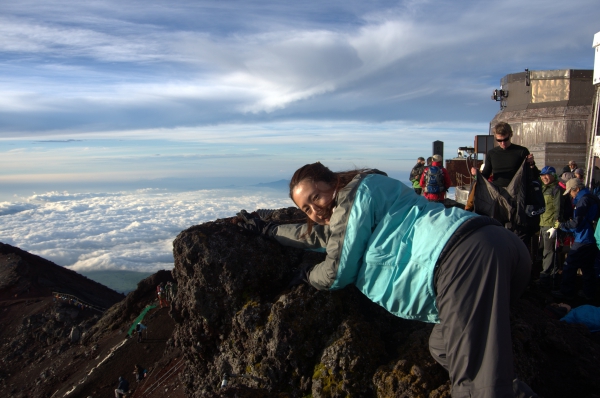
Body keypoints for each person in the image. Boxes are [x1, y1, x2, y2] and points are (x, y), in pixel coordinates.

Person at [237, 162, 536, 397]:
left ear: (334, 182)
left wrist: (306, 275)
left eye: (316, 196)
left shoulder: (355, 196)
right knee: (443, 347)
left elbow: (336, 272)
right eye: (306, 208)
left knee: (475, 387)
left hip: (461, 257)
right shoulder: (371, 194)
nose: (315, 210)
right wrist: (269, 230)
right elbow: (318, 235)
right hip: (499, 247)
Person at [472, 122, 540, 244]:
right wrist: (476, 174)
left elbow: (534, 175)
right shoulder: (492, 154)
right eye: (499, 140)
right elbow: (486, 175)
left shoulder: (521, 151)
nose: (503, 143)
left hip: (517, 197)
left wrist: (531, 163)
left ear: (510, 135)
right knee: (497, 229)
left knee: (518, 230)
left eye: (505, 139)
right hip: (498, 197)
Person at [552, 179, 599, 301]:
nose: (570, 195)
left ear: (576, 189)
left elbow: (576, 223)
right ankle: (589, 293)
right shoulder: (592, 197)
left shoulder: (583, 201)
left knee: (570, 264)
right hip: (592, 238)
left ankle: (566, 292)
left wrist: (562, 225)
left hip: (583, 238)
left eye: (571, 192)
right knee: (587, 267)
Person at [537, 166, 571, 290]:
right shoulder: (543, 188)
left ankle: (546, 277)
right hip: (543, 223)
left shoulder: (557, 189)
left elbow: (558, 209)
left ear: (553, 175)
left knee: (549, 251)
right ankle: (551, 274)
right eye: (542, 175)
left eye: (546, 175)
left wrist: (555, 227)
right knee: (545, 250)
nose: (544, 177)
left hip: (550, 225)